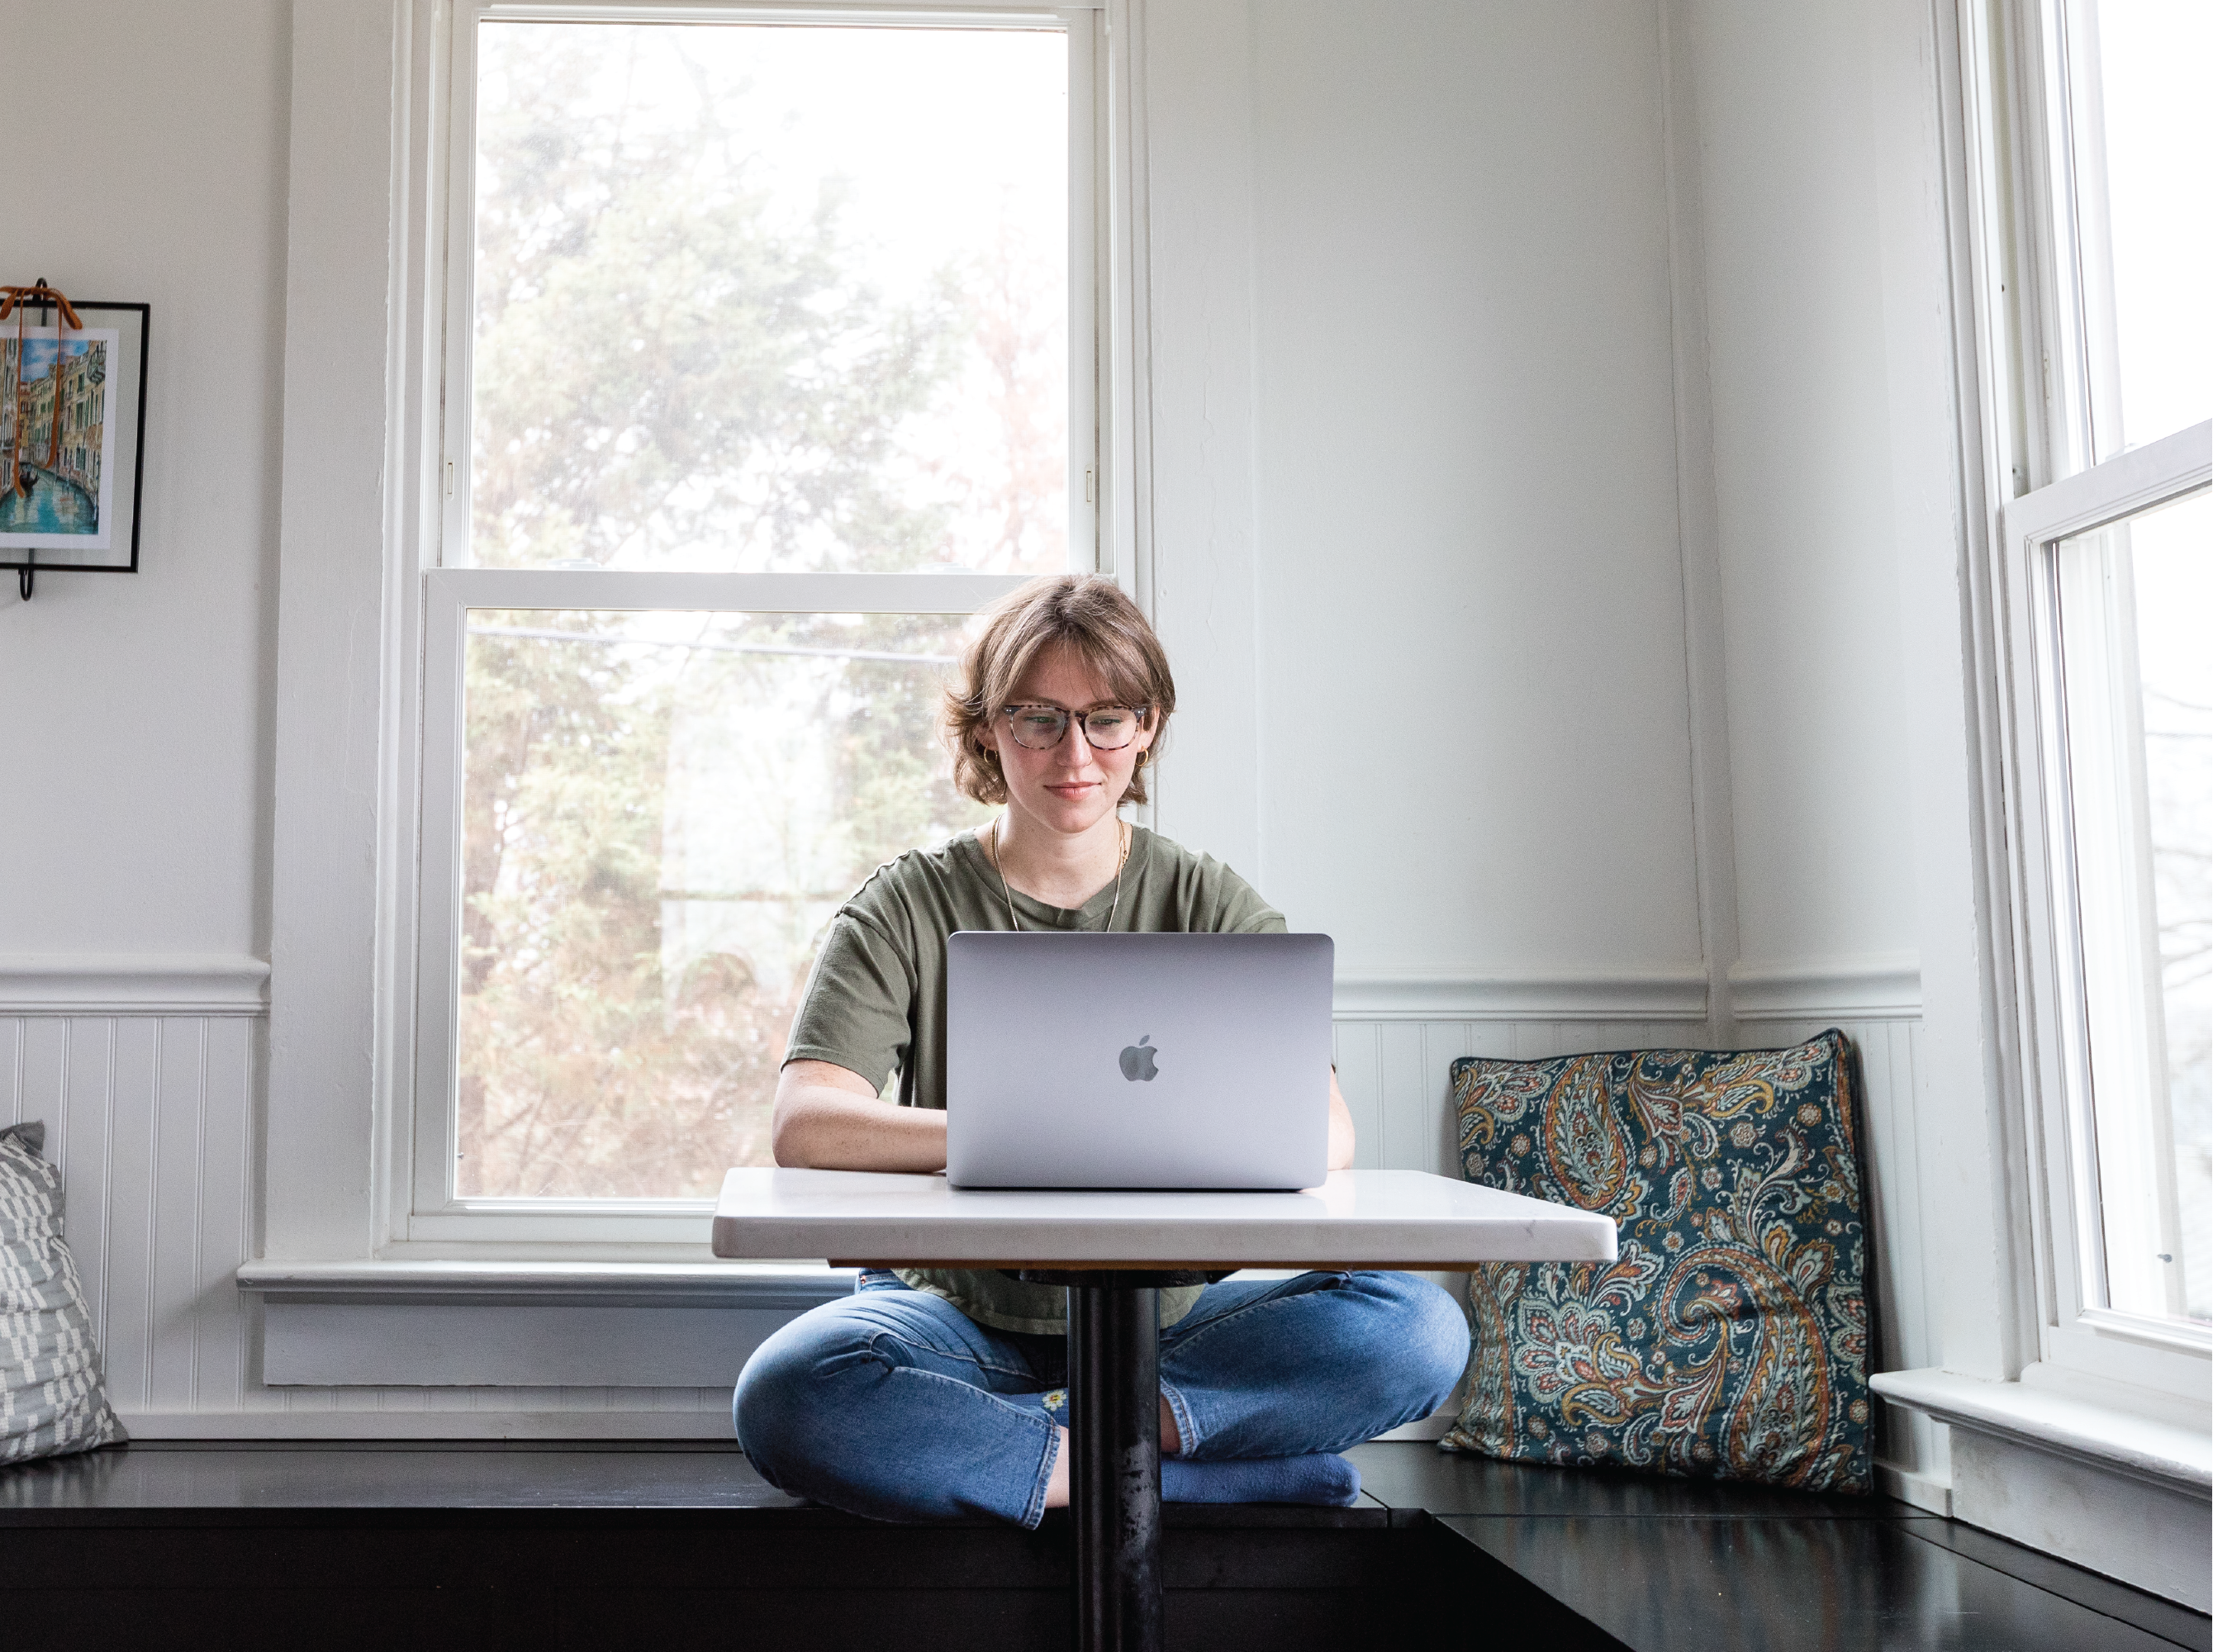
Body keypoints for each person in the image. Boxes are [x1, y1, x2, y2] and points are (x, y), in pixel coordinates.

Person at [733, 574, 1469, 1526]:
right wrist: (1016, 1137)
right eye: (1038, 719)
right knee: (791, 1394)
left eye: (1107, 718)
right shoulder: (904, 903)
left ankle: (1018, 1449)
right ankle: (1190, 1469)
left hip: (1166, 1323)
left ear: (1147, 725)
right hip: (954, 1318)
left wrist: (1116, 1139)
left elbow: (1323, 1132)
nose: (1075, 753)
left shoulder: (1210, 901)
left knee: (1417, 1327)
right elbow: (807, 1123)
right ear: (989, 728)